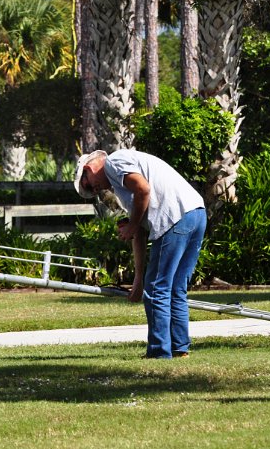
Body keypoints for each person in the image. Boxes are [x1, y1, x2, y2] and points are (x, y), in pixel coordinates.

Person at [74, 149, 206, 359]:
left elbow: (143, 190)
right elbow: (140, 232)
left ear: (89, 169)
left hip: (174, 218)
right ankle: (180, 349)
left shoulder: (113, 163)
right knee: (175, 288)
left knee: (157, 289)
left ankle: (159, 352)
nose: (94, 190)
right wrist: (138, 279)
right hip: (196, 213)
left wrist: (132, 224)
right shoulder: (123, 186)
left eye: (89, 185)